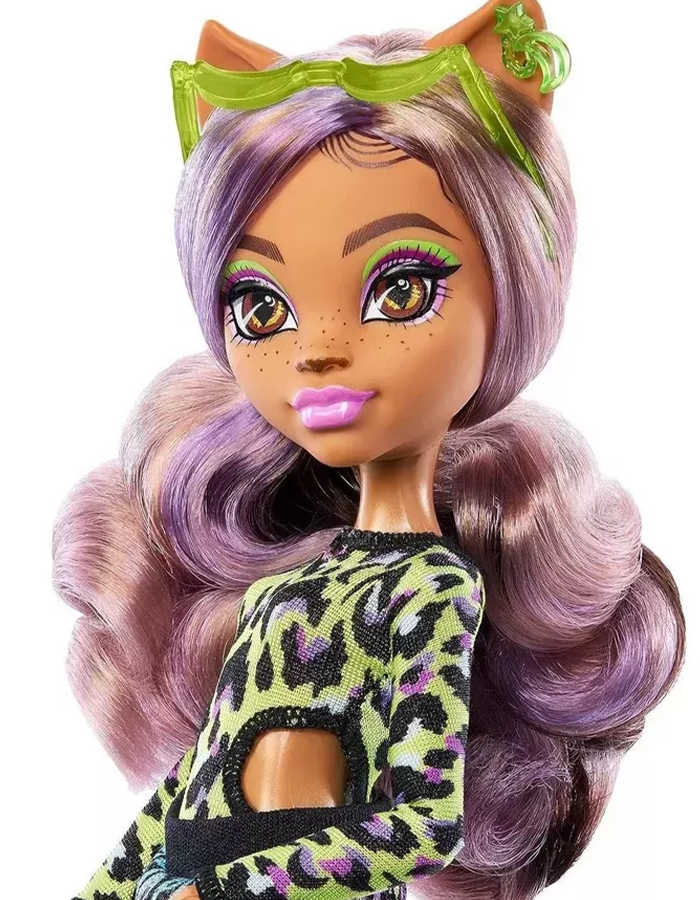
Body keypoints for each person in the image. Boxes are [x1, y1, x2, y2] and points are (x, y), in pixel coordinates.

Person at [52, 2, 685, 899]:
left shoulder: (430, 589)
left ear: (511, 291)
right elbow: (194, 779)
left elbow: (422, 825)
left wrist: (229, 888)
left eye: (401, 288)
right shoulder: (281, 592)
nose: (317, 350)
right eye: (261, 308)